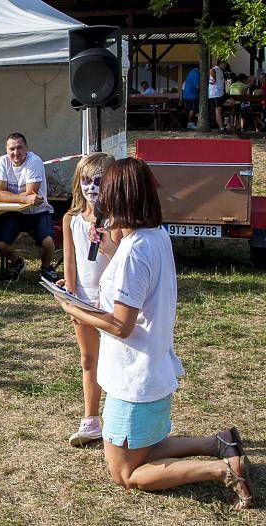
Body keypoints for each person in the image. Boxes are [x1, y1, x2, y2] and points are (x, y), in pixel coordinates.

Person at [56, 158, 254, 510]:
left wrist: (75, 309)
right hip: (153, 367)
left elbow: (121, 324)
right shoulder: (155, 236)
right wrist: (108, 249)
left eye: (106, 190)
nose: (98, 197)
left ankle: (223, 469)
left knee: (124, 474)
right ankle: (218, 442)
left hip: (135, 379)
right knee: (143, 448)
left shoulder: (135, 250)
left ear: (121, 198)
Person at [58, 153, 117, 446]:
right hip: (83, 301)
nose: (91, 187)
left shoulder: (118, 219)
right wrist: (70, 295)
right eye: (85, 180)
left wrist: (106, 243)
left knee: (116, 360)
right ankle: (91, 420)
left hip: (113, 302)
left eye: (98, 181)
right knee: (88, 358)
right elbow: (70, 262)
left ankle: (119, 419)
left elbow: (122, 259)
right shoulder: (71, 219)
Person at [0, 133, 57, 282]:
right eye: (12, 149)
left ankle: (46, 268)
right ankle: (17, 263)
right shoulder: (3, 161)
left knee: (48, 242)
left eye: (19, 147)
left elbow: (32, 192)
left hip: (38, 211)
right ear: (6, 150)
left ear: (26, 148)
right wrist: (23, 198)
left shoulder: (34, 161)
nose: (16, 152)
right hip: (14, 212)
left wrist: (8, 195)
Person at [210, 60, 228, 132]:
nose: (225, 65)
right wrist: (214, 78)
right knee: (218, 110)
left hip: (220, 93)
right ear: (220, 63)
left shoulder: (221, 71)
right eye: (224, 64)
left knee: (230, 102)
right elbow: (212, 70)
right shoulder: (216, 68)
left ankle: (225, 124)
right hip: (215, 94)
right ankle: (221, 128)